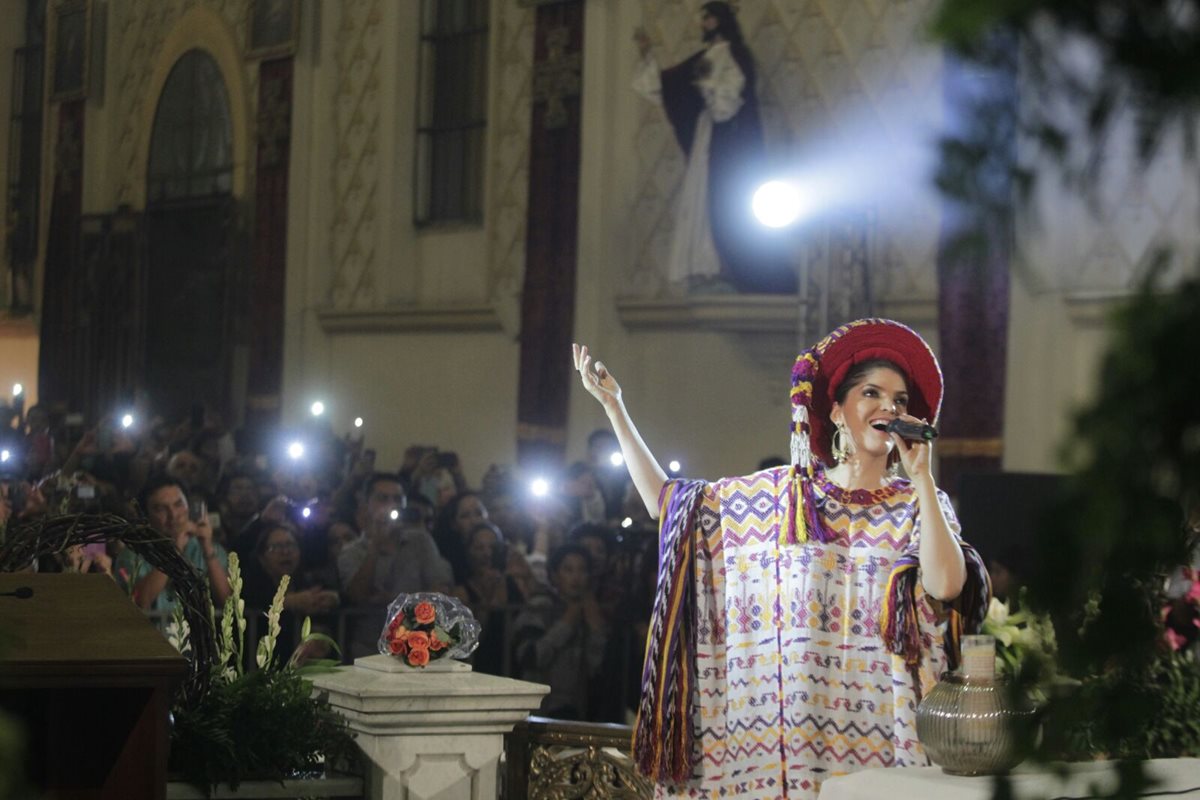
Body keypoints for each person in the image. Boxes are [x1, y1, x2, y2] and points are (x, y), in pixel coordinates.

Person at [572, 318, 990, 798]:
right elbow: (668, 505)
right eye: (871, 394)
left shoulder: (918, 501)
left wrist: (921, 478)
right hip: (785, 745)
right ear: (836, 412)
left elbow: (947, 586)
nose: (888, 408)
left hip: (884, 738)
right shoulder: (782, 497)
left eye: (899, 401)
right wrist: (616, 408)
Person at [632, 2, 793, 294]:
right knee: (704, 200)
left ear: (720, 19)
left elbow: (729, 102)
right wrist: (646, 54)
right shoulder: (703, 57)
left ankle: (725, 265)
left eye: (707, 17)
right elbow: (668, 87)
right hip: (708, 140)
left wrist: (707, 84)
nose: (703, 22)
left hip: (730, 145)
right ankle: (708, 268)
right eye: (702, 17)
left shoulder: (736, 55)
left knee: (725, 201)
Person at [338, 473, 453, 658]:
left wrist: (394, 600)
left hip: (418, 647)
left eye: (398, 499)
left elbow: (441, 590)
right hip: (369, 650)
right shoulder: (351, 551)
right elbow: (357, 595)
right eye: (382, 499)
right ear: (366, 505)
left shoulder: (421, 541)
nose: (391, 504)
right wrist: (375, 545)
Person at [117, 474, 231, 613]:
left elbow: (227, 602)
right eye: (161, 509)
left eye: (178, 504)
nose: (173, 515)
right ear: (146, 516)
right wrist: (175, 550)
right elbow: (140, 601)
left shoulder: (209, 548)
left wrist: (207, 548)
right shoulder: (132, 555)